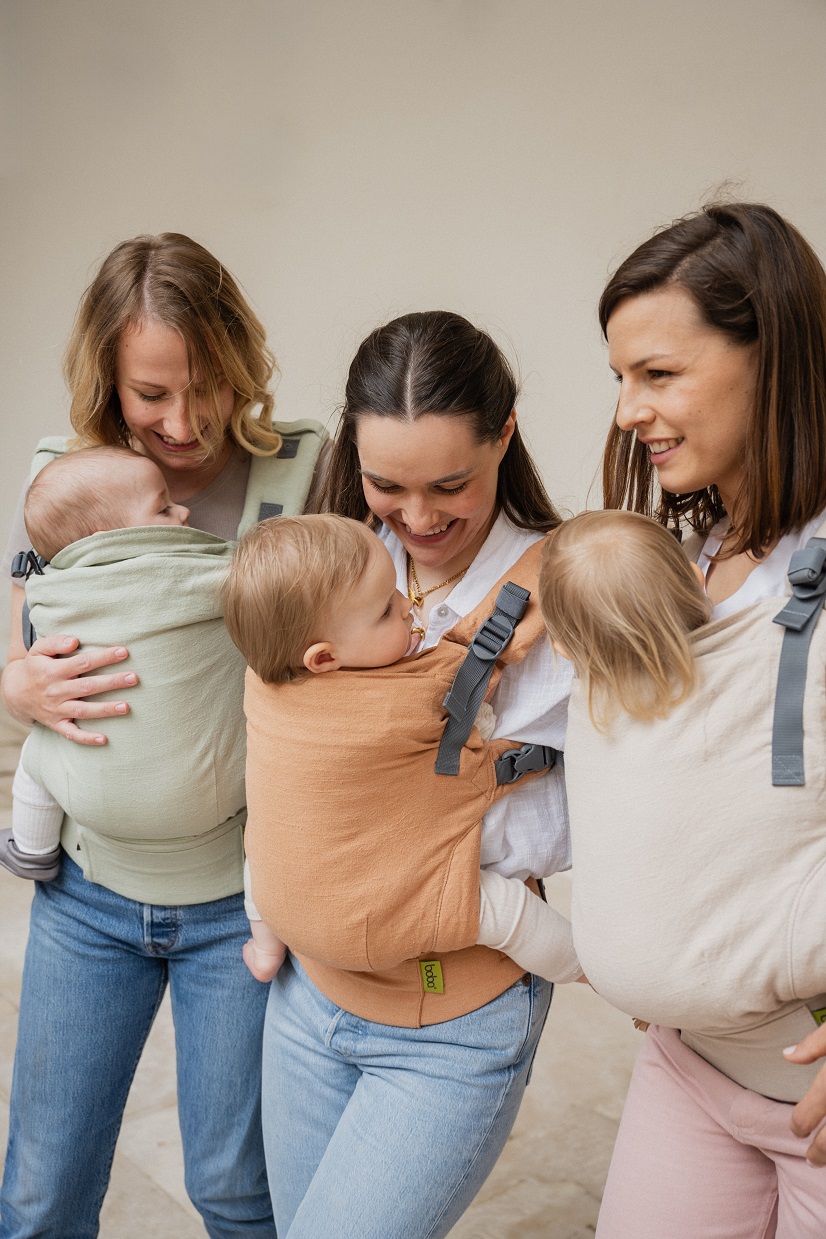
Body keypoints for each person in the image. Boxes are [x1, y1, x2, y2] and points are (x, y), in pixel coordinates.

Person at [0, 233, 327, 1239]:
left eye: (208, 387)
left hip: (239, 904)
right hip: (86, 896)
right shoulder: (65, 478)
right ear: (108, 380)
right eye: (150, 396)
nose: (182, 426)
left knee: (233, 1187)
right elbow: (26, 632)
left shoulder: (308, 471)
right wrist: (13, 685)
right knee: (41, 1192)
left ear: (240, 365)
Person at [256, 310, 572, 1239]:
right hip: (309, 994)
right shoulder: (336, 560)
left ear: (504, 434)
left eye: (451, 485)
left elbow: (625, 800)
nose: (421, 518)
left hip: (455, 1013)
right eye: (386, 484)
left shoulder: (565, 591)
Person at [592, 202, 826, 1237]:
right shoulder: (690, 558)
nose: (625, 411)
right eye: (618, 379)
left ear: (769, 357)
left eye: (657, 374)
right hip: (686, 1071)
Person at [221, 512, 579, 987]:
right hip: (368, 925)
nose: (408, 605)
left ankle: (265, 943)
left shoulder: (263, 684)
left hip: (280, 901)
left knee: (269, 833)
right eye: (386, 611)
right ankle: (583, 970)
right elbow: (472, 700)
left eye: (396, 591)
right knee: (503, 910)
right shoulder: (406, 701)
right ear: (324, 657)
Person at [2, 446, 191, 881]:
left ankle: (32, 848)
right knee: (41, 746)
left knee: (40, 758)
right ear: (109, 539)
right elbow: (25, 661)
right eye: (163, 509)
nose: (183, 512)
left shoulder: (52, 588)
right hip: (89, 743)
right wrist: (23, 685)